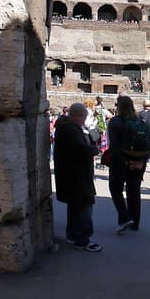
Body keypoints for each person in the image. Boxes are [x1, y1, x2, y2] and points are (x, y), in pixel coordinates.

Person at [53, 103, 102, 252]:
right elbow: (80, 150)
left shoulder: (65, 128)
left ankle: (73, 234)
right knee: (84, 206)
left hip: (70, 174)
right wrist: (93, 150)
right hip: (78, 175)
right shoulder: (71, 130)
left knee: (74, 206)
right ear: (79, 116)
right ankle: (83, 239)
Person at [106, 95, 150, 234]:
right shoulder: (140, 121)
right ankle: (135, 222)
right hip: (138, 161)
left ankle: (124, 217)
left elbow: (114, 145)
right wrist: (142, 161)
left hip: (120, 161)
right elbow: (149, 144)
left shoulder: (114, 122)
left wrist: (125, 161)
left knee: (115, 188)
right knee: (134, 190)